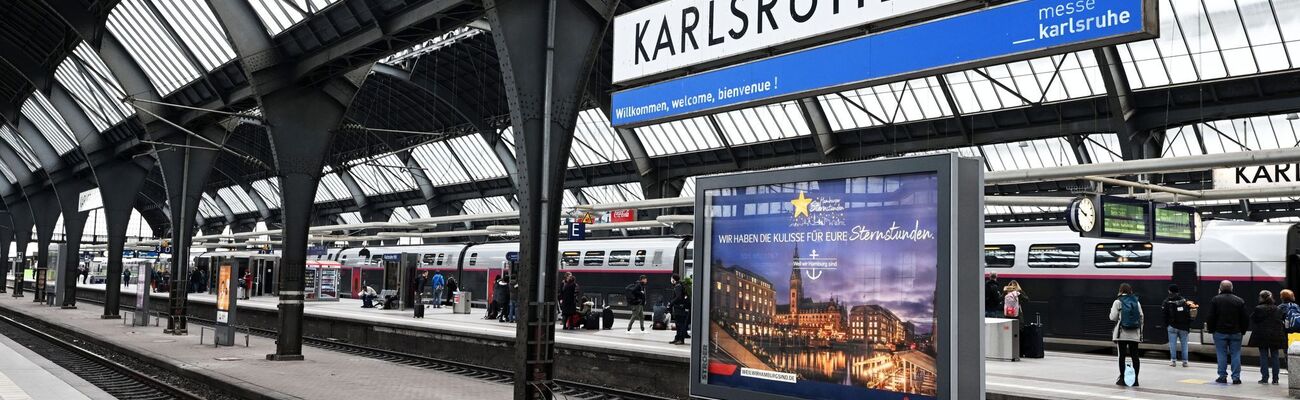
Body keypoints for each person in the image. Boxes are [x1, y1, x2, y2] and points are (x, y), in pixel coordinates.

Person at [1203, 280, 1250, 384]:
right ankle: (1236, 378)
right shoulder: (1239, 300)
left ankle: (1222, 376)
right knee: (1236, 354)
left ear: (1220, 288)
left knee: (1221, 354)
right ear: (1232, 288)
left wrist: (1211, 330)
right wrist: (1243, 330)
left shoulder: (1215, 300)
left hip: (1220, 332)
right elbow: (1245, 318)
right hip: (1236, 332)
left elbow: (1211, 316)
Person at [1110, 283, 1144, 386]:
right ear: (1130, 290)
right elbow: (1141, 317)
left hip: (1122, 334)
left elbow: (1113, 317)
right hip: (1134, 334)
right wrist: (1140, 333)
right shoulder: (1136, 302)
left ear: (1120, 290)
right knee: (1135, 356)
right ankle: (1136, 380)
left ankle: (1123, 379)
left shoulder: (1117, 302)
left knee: (1122, 357)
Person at [1250, 290, 1285, 385]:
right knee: (1275, 356)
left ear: (1262, 298)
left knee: (1263, 356)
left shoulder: (1258, 308)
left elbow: (1253, 319)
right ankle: (1275, 379)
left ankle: (1265, 378)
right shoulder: (1278, 309)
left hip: (1262, 336)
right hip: (1275, 336)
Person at [1162, 284, 1193, 367]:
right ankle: (1185, 362)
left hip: (1172, 326)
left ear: (1169, 291)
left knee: (1172, 344)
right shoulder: (1184, 301)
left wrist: (1167, 325)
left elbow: (1164, 315)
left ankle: (1173, 361)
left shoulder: (1167, 301)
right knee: (1184, 344)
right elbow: (1190, 313)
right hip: (1184, 327)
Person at [670, 274, 689, 345]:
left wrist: (671, 303)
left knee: (680, 324)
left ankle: (681, 340)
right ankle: (677, 338)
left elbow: (678, 297)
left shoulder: (678, 286)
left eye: (671, 278)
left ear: (674, 279)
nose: (671, 280)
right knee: (678, 324)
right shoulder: (679, 285)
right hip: (680, 308)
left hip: (680, 308)